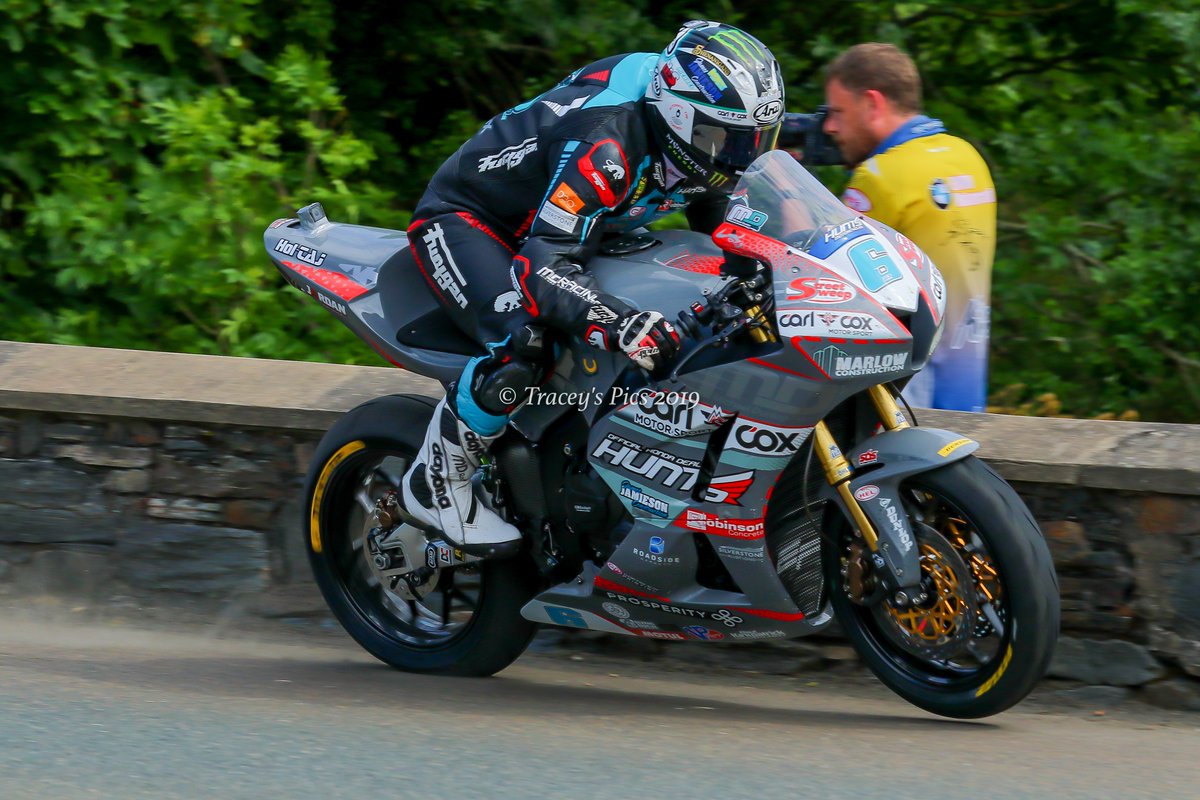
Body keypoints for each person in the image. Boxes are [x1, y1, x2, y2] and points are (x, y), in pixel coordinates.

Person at [398, 21, 786, 550]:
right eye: (727, 141)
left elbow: (725, 213)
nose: (739, 159)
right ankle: (437, 479)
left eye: (755, 142)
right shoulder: (608, 143)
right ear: (678, 116)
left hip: (580, 223)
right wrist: (619, 322)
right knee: (528, 341)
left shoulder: (690, 127)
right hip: (476, 222)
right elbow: (543, 265)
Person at [820, 43, 996, 412]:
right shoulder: (967, 156)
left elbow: (826, 281)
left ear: (872, 103)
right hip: (965, 387)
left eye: (838, 112)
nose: (830, 126)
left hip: (905, 396)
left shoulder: (880, 178)